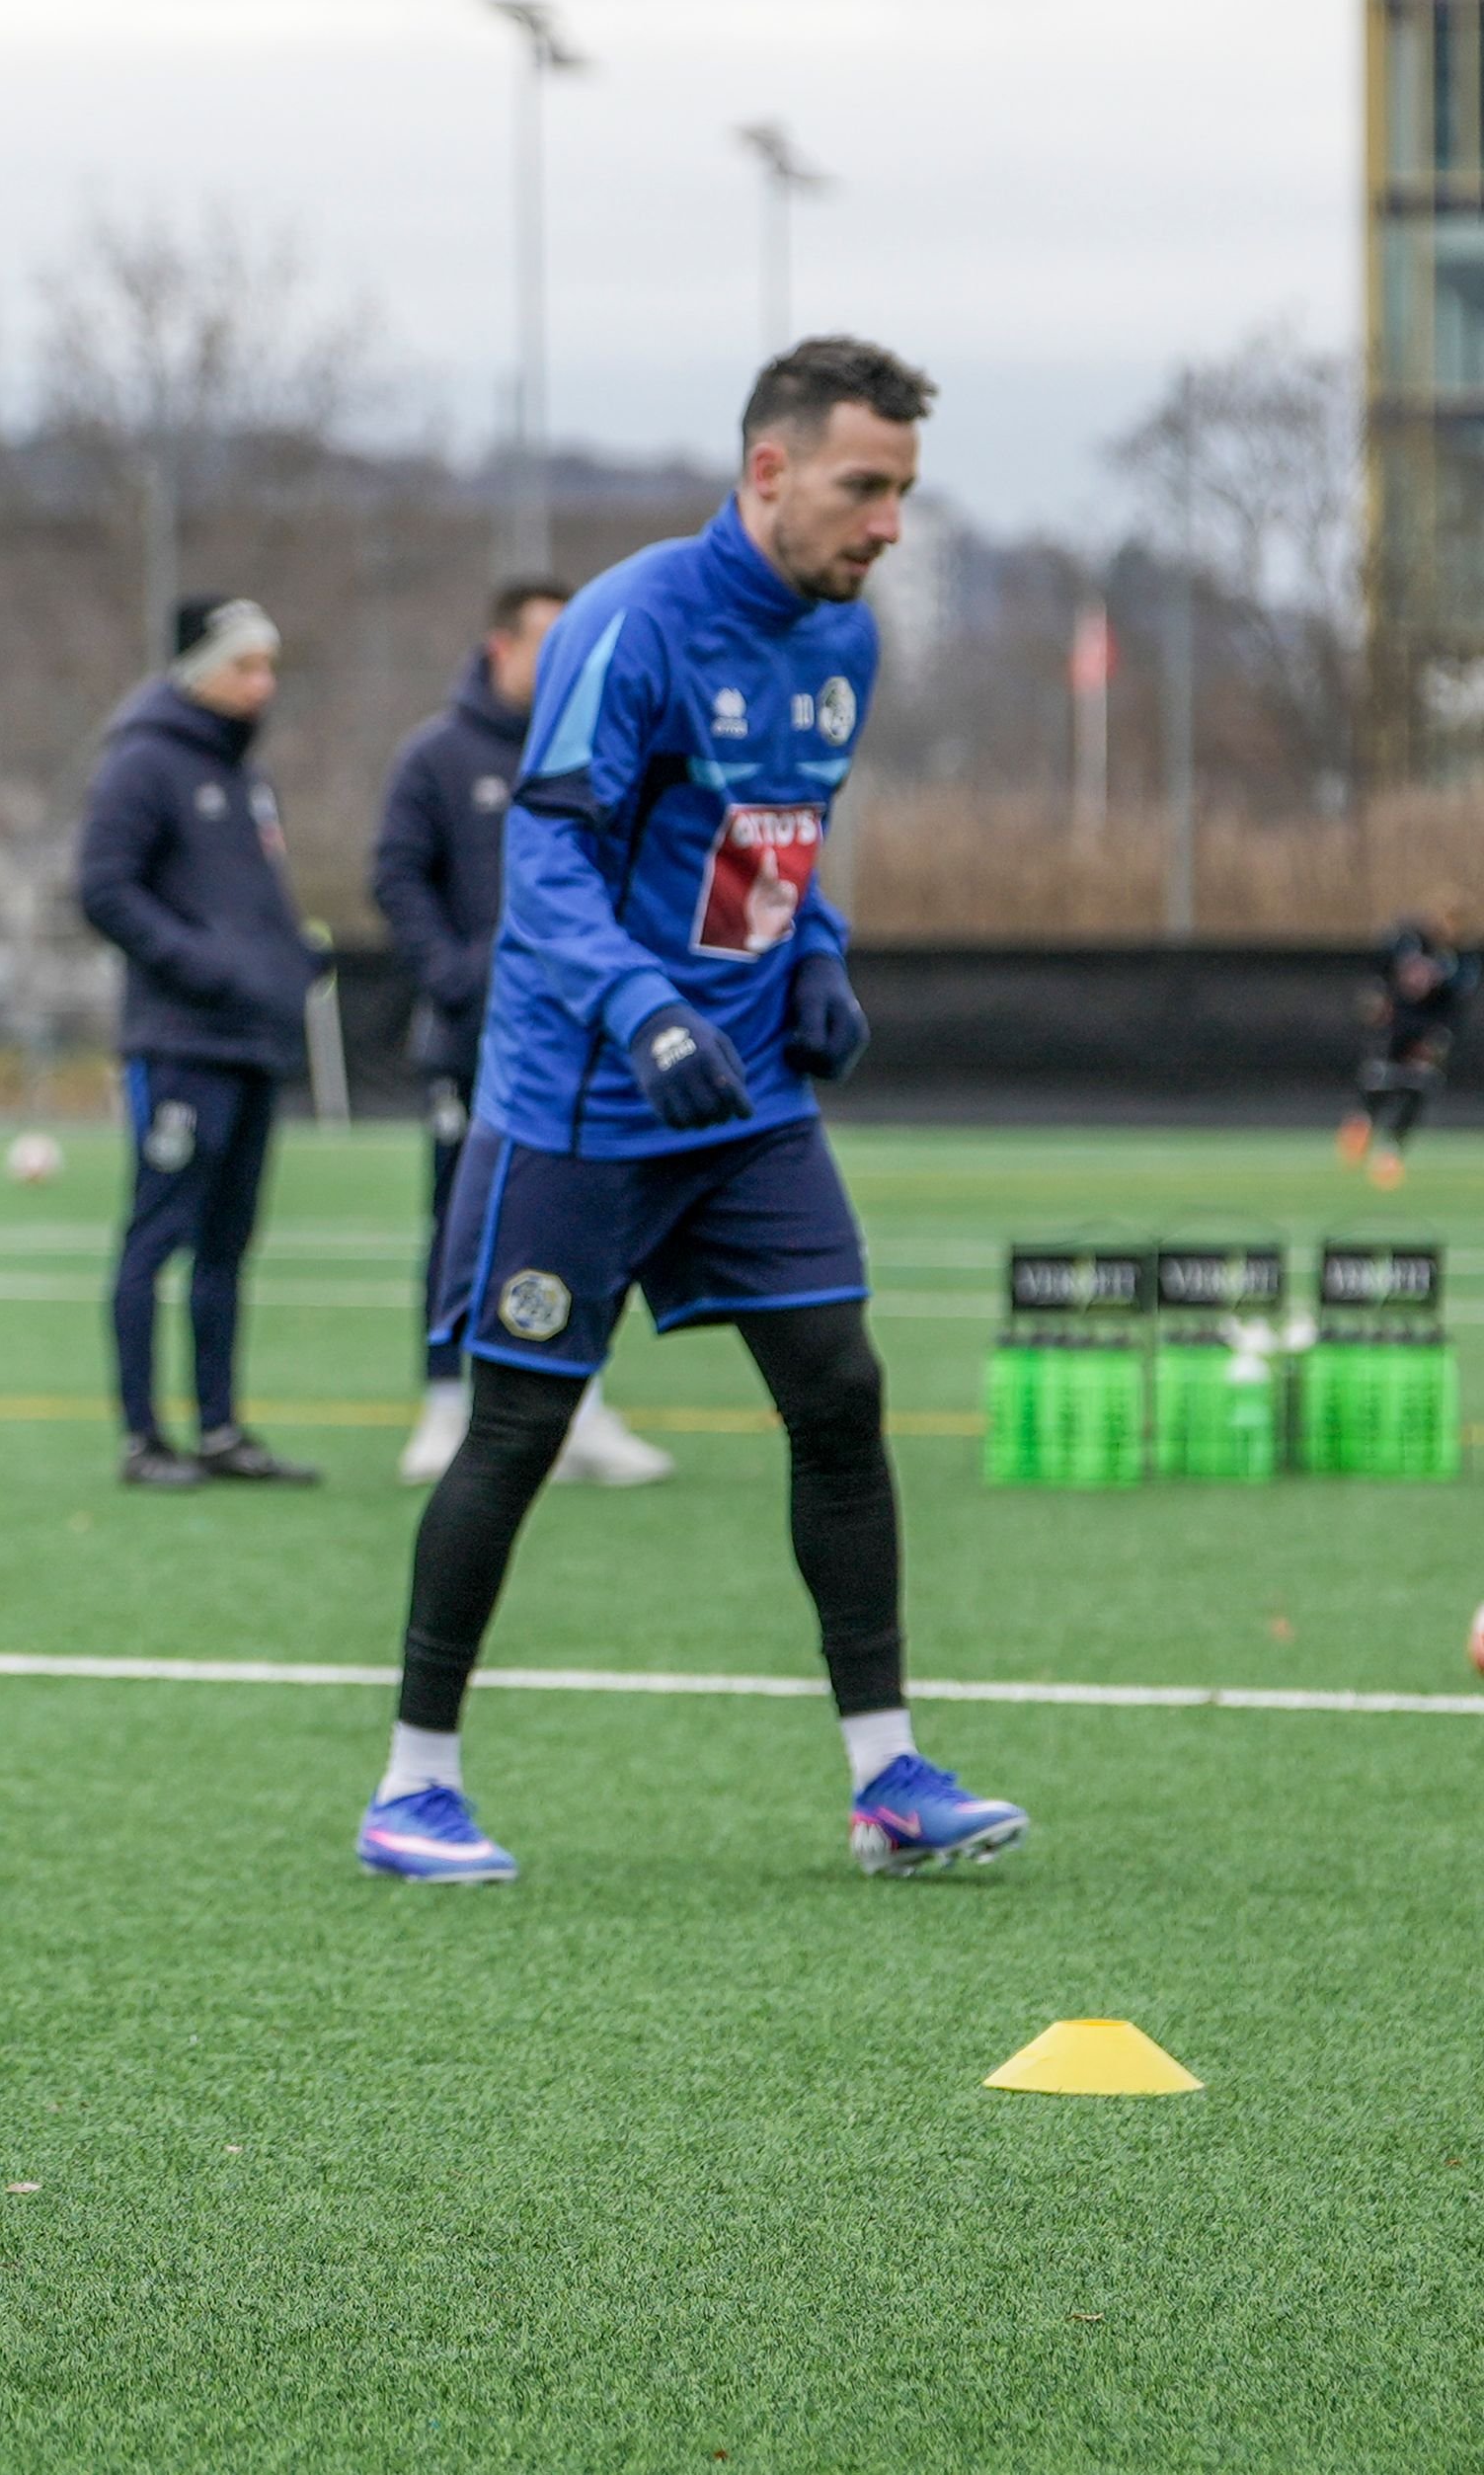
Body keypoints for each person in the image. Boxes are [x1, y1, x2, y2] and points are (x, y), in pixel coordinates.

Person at [359, 337, 1026, 1887]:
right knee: (515, 1426)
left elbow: (784, 846)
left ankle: (887, 1777)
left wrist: (820, 959)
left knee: (842, 1392)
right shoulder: (633, 618)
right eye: (867, 487)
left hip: (747, 1099)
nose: (890, 525)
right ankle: (413, 1784)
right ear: (771, 470)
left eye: (907, 492)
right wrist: (643, 1007)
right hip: (587, 1093)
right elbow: (550, 864)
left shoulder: (845, 644)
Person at [370, 581, 673, 1490]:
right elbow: (395, 876)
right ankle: (444, 1404)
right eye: (548, 641)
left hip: (584, 1046)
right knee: (457, 1223)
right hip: (475, 1044)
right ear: (499, 646)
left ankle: (580, 1407)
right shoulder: (437, 755)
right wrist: (459, 976)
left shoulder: (606, 746)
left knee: (585, 1223)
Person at [74, 595, 324, 1490]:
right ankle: (144, 1439)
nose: (265, 683)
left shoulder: (244, 773)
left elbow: (246, 903)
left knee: (228, 1244)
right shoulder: (143, 761)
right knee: (156, 1237)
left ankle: (221, 1429)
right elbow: (103, 888)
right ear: (200, 670)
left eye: (269, 665)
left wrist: (289, 961)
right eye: (248, 665)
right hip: (181, 1044)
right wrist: (211, 967)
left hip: (251, 1043)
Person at [1339, 910, 1471, 1190]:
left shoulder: (1459, 962)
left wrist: (1439, 1039)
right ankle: (1363, 1122)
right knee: (1379, 1080)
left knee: (1419, 1088)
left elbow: (1455, 1005)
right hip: (1398, 1025)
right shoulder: (1406, 943)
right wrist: (1375, 1000)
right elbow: (1379, 975)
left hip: (1425, 1030)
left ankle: (1390, 1153)